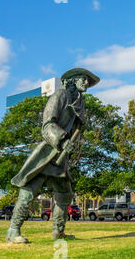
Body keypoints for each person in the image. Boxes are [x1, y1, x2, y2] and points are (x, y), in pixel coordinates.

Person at [6, 68, 99, 244]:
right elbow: (47, 125)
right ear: (73, 80)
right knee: (28, 193)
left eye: (88, 80)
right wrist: (63, 141)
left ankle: (58, 232)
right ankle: (13, 231)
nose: (87, 83)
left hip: (60, 159)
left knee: (64, 194)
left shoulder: (79, 101)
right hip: (47, 154)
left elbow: (77, 124)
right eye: (84, 79)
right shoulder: (59, 96)